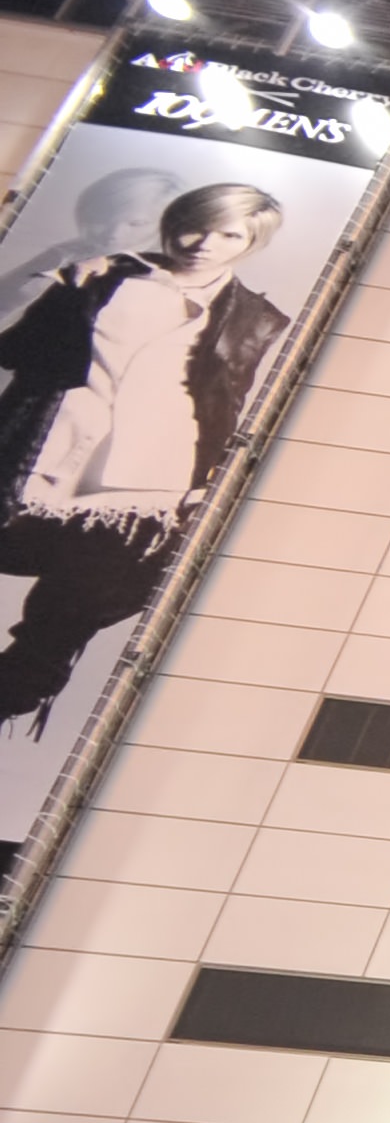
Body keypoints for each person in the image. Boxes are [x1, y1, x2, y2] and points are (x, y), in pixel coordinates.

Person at [0, 179, 297, 735]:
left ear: (250, 243)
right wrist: (56, 282)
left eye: (228, 233)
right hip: (43, 452)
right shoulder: (99, 275)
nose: (205, 242)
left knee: (65, 620)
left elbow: (222, 405)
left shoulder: (255, 318)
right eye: (195, 225)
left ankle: (12, 702)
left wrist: (203, 484)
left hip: (146, 487)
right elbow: (13, 349)